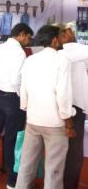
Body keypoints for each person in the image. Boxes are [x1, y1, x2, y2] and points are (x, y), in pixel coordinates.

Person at [16, 25, 76, 189]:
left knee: (26, 164)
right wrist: (69, 123)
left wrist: (27, 109)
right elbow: (63, 95)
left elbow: (23, 89)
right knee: (53, 169)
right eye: (61, 36)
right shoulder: (61, 60)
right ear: (55, 40)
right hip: (55, 123)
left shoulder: (30, 59)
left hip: (33, 120)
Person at [0, 23, 33, 189]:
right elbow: (17, 80)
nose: (28, 41)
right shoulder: (19, 52)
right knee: (13, 138)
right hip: (13, 98)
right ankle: (12, 180)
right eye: (28, 37)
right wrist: (23, 98)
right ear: (21, 34)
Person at [58, 22, 88, 189]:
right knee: (74, 153)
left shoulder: (66, 53)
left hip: (64, 107)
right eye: (70, 31)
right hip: (72, 108)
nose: (73, 33)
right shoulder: (70, 51)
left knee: (62, 150)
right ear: (63, 35)